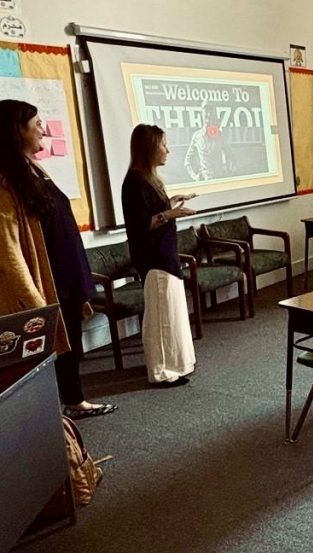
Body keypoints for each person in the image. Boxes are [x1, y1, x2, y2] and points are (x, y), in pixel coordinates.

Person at [0, 99, 116, 420]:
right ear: (15, 130)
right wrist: (38, 305)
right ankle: (47, 424)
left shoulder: (28, 168)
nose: (44, 130)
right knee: (43, 355)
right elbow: (6, 253)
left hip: (64, 279)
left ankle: (74, 403)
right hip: (40, 289)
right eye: (37, 125)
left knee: (69, 347)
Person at [122, 124, 198, 387]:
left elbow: (154, 211)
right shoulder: (134, 182)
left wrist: (171, 201)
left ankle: (177, 364)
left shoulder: (148, 178)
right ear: (149, 148)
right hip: (154, 259)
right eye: (163, 144)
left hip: (165, 255)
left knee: (171, 312)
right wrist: (172, 213)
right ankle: (161, 371)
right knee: (160, 317)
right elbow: (141, 224)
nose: (168, 150)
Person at [185, 100, 232, 181]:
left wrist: (227, 170)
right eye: (206, 111)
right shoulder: (197, 136)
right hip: (205, 181)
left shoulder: (220, 135)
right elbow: (187, 160)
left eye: (211, 111)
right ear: (201, 114)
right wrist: (195, 176)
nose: (209, 115)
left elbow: (231, 155)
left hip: (220, 180)